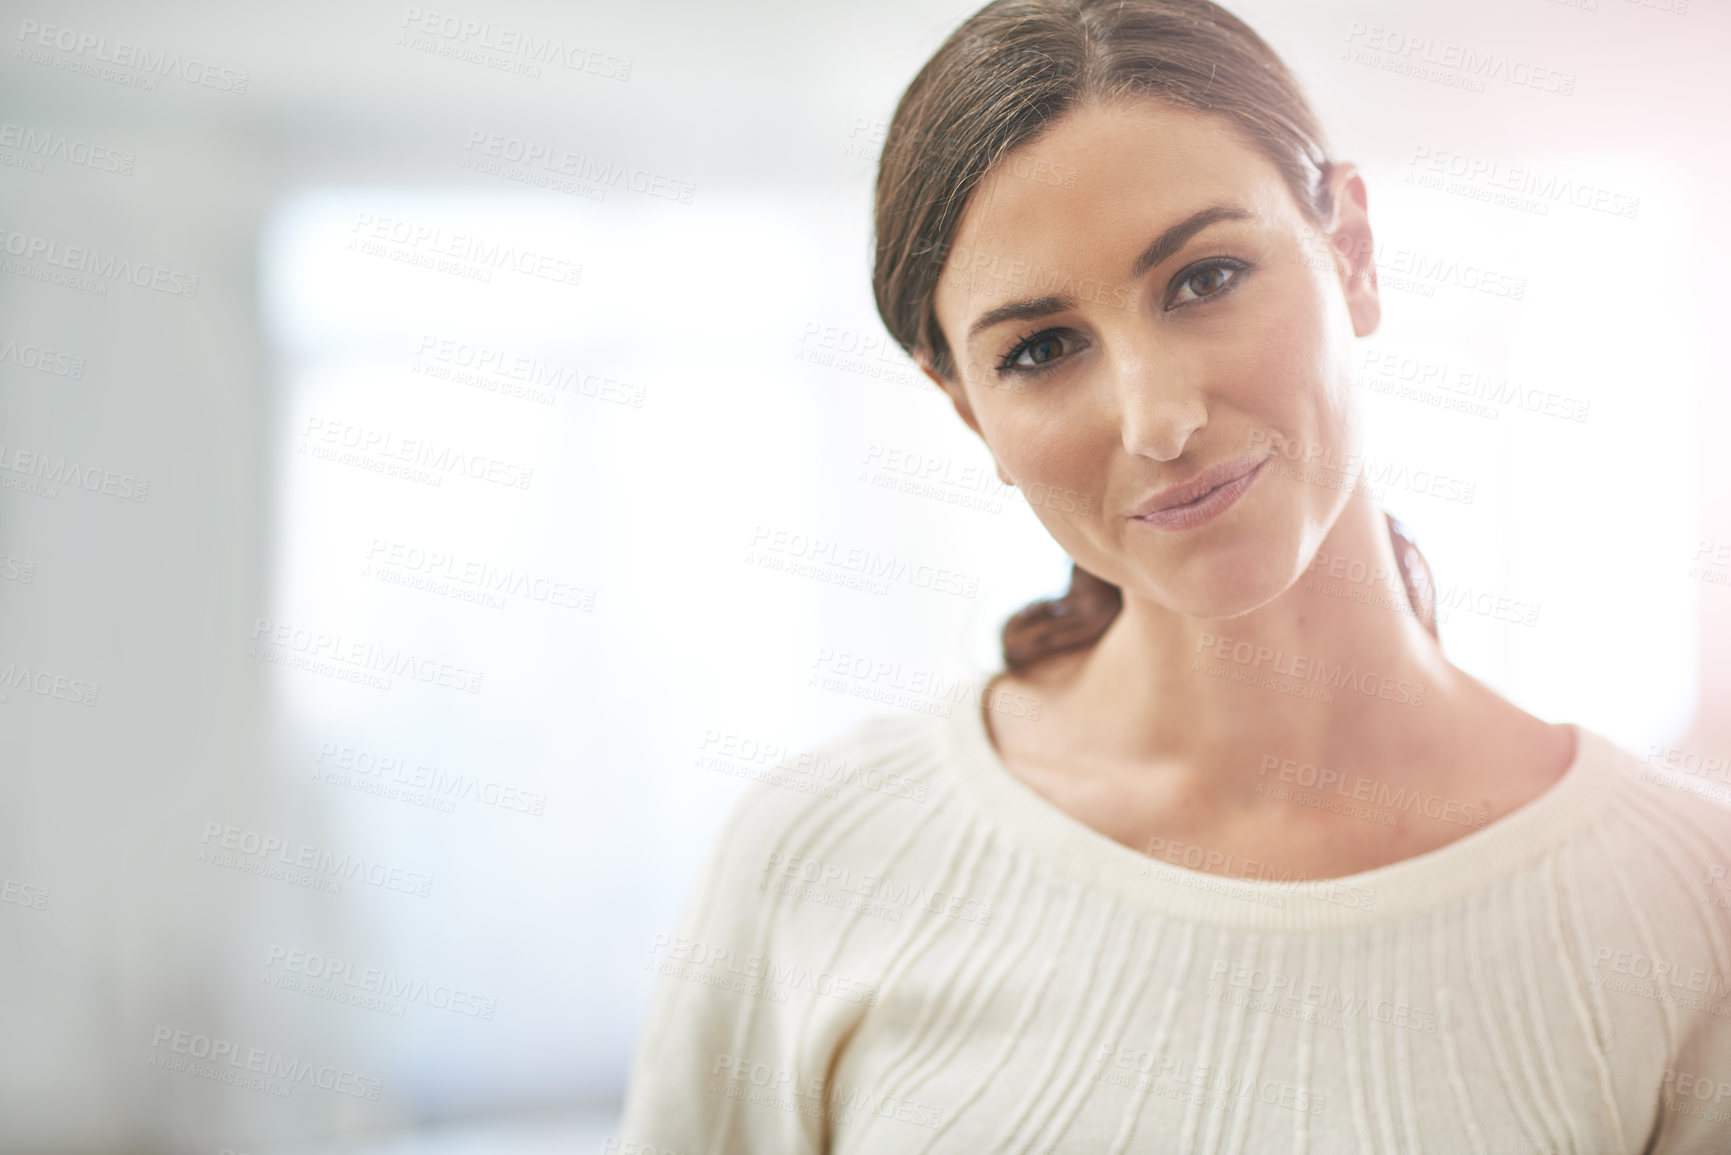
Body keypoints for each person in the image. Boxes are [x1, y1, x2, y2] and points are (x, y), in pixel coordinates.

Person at [618, 1, 1731, 1149]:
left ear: (1351, 251)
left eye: (1205, 278)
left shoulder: (1690, 910)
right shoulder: (820, 858)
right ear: (966, 408)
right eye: (1040, 349)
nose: (1159, 418)